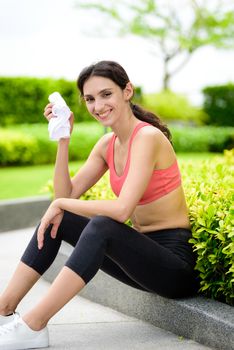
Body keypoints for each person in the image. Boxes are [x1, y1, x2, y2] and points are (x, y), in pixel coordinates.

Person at [0, 60, 198, 349]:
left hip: (174, 266)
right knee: (62, 218)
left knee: (102, 225)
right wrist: (62, 138)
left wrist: (60, 204)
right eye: (90, 99)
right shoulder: (107, 146)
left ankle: (33, 325)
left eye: (106, 94)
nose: (98, 105)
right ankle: (5, 308)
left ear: (127, 91)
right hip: (141, 258)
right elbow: (64, 196)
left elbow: (121, 210)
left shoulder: (148, 137)